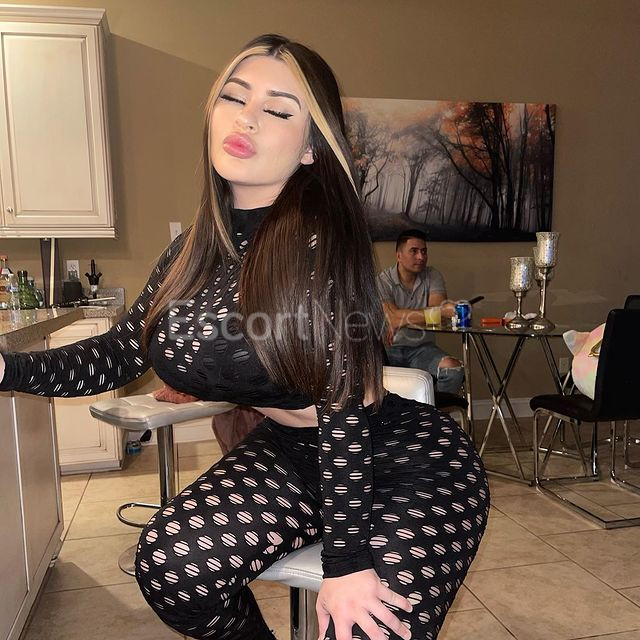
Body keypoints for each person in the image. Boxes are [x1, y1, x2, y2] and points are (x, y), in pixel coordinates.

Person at [0, 35, 489, 640]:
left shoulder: (326, 245)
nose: (248, 117)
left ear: (310, 147)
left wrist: (347, 561)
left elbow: (342, 405)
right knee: (172, 568)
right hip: (292, 454)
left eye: (278, 109)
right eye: (234, 98)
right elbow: (122, 351)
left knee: (364, 628)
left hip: (397, 459)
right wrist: (7, 369)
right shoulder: (189, 254)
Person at [378, 229, 465, 395]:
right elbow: (394, 318)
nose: (421, 257)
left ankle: (434, 410)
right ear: (398, 256)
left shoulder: (432, 275)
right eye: (414, 251)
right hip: (390, 350)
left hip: (423, 348)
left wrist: (402, 318)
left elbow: (437, 317)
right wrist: (435, 313)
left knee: (453, 369)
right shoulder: (382, 281)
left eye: (424, 251)